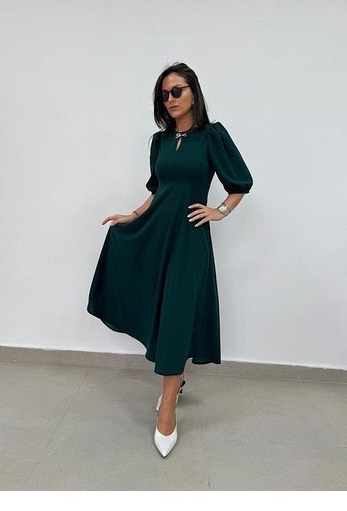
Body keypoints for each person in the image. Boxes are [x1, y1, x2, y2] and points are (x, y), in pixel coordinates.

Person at [87, 62, 254, 457]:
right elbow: (159, 190)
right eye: (164, 94)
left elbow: (240, 183)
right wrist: (132, 216)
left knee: (178, 312)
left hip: (189, 238)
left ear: (194, 92)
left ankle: (166, 405)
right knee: (158, 307)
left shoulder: (212, 136)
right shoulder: (159, 142)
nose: (171, 99)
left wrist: (220, 211)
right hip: (156, 232)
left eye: (177, 90)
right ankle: (174, 383)